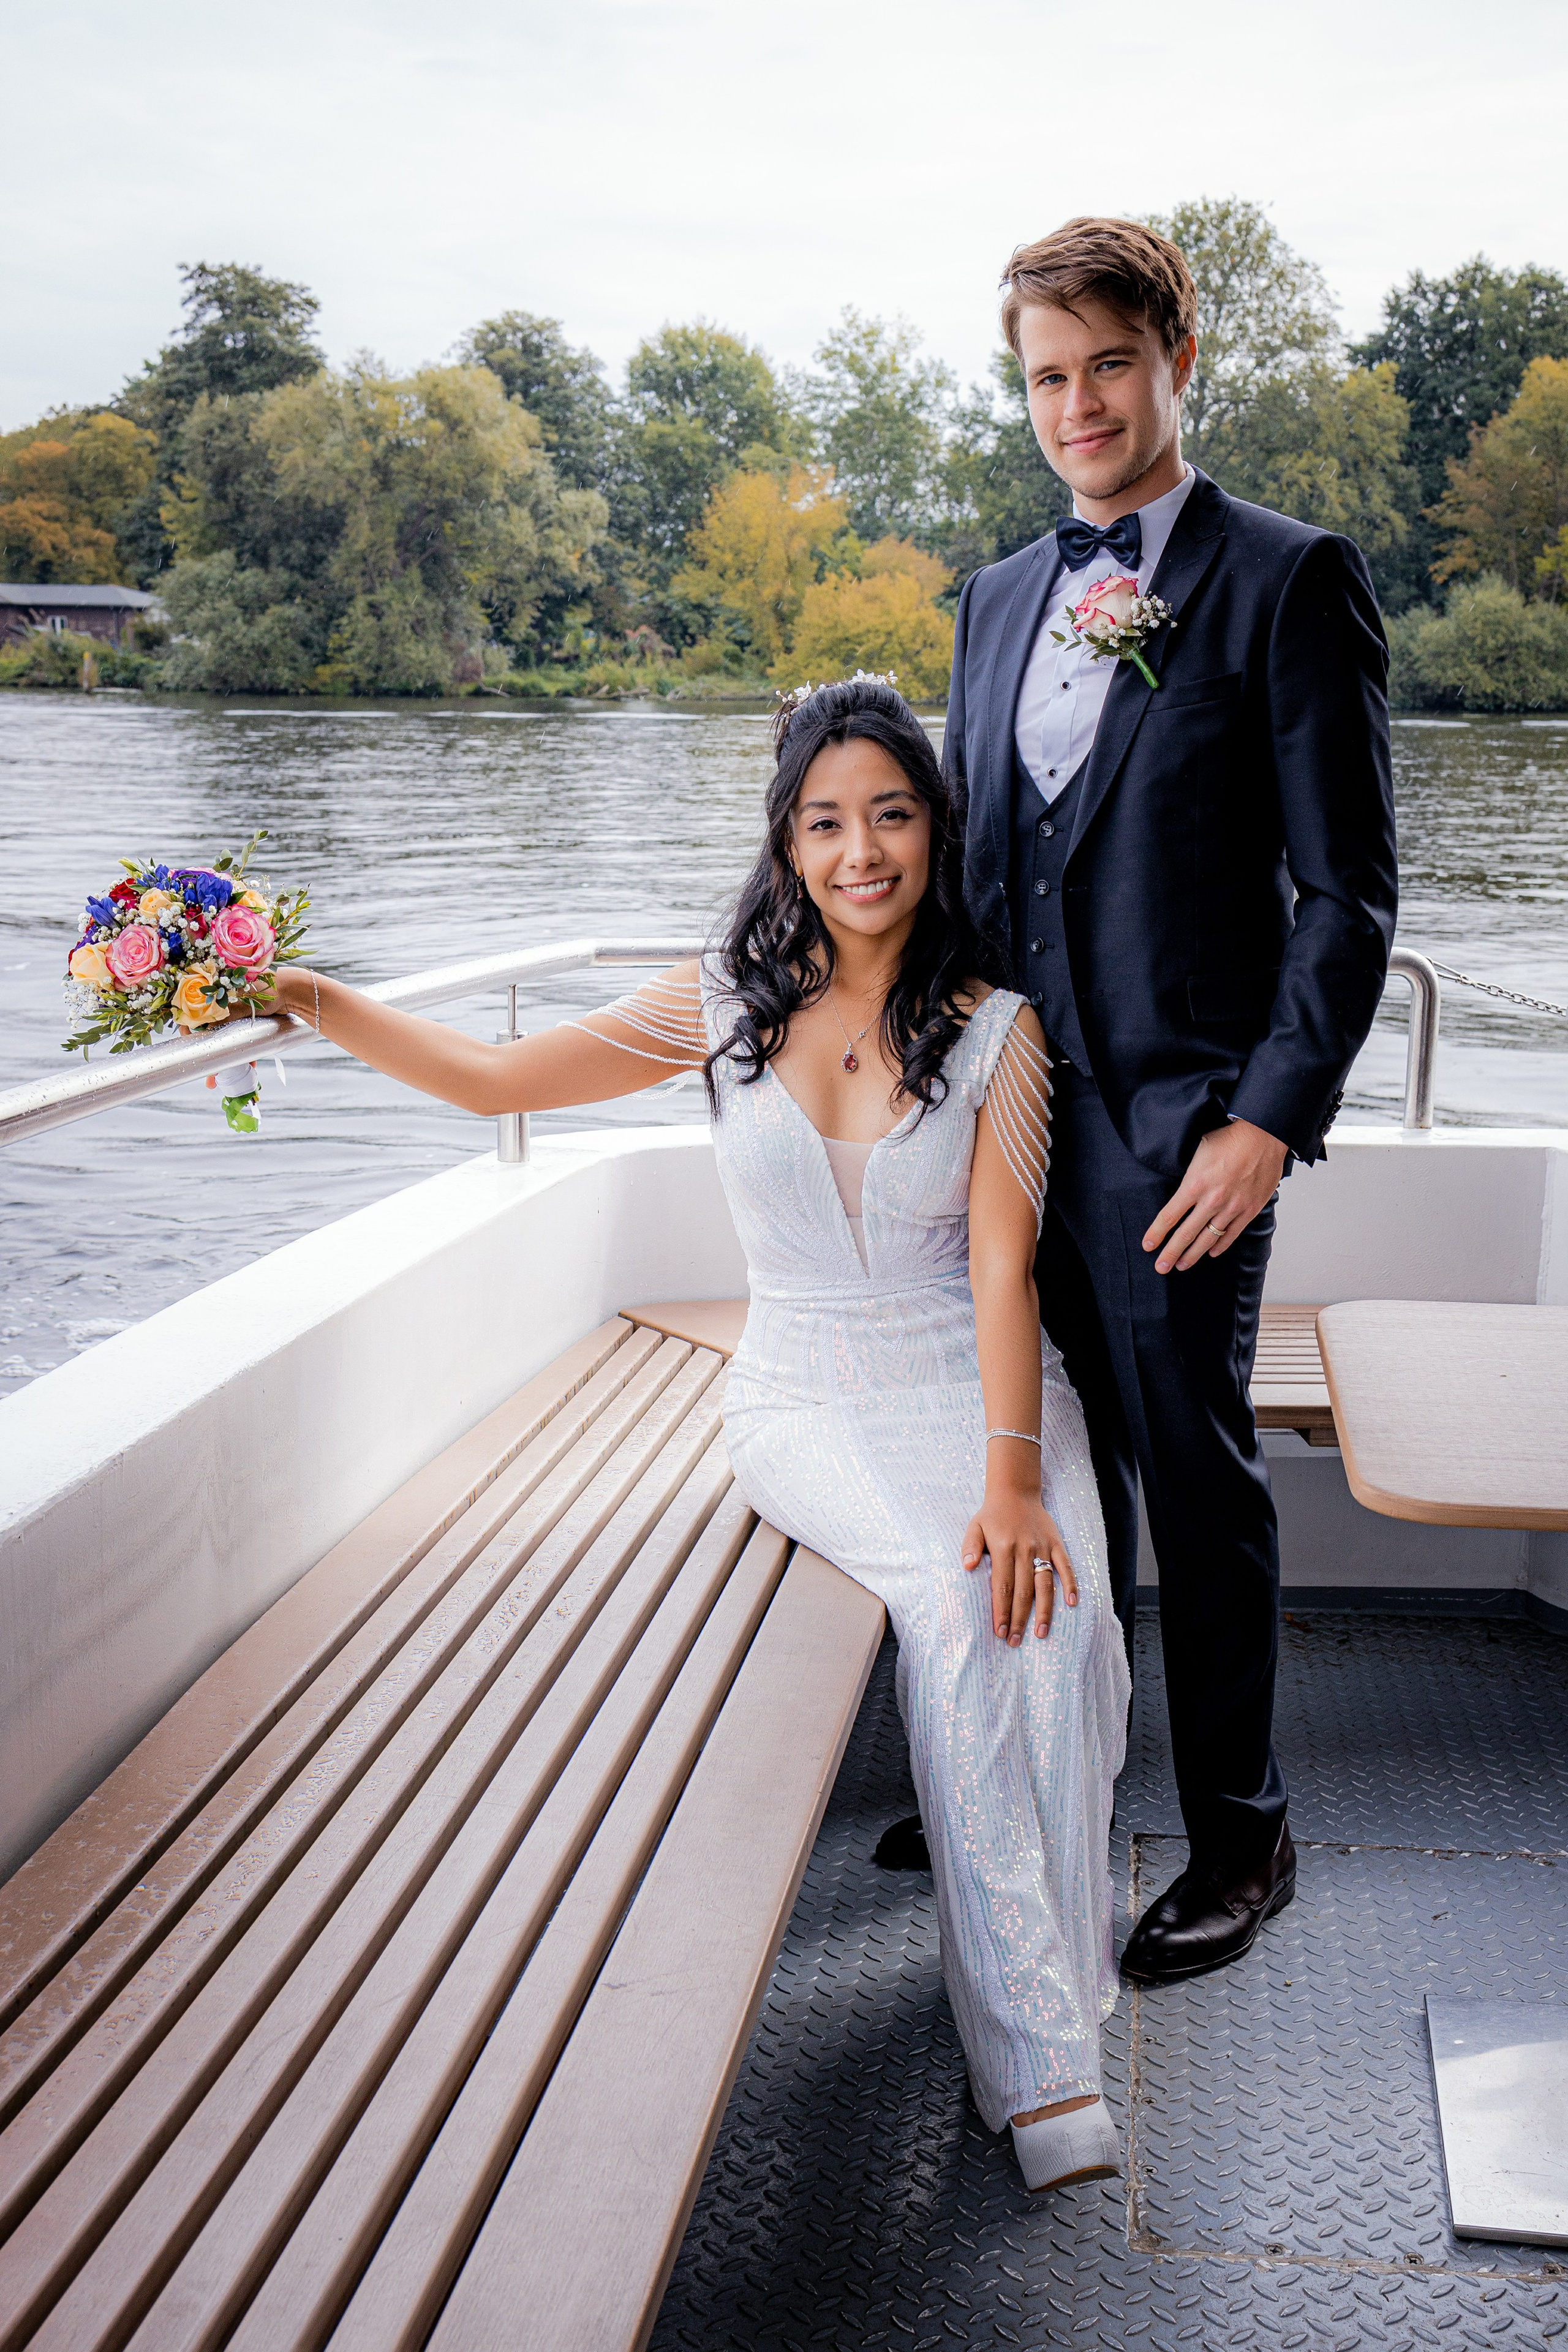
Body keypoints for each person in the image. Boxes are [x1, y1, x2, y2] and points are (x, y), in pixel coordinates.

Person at [251, 676, 1132, 2195]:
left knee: (1042, 1613)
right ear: (786, 844)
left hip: (981, 1393)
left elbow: (1000, 1268)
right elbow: (494, 1082)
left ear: (933, 829)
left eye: (891, 816)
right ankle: (1037, 2061)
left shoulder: (998, 1033)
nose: (861, 852)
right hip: (805, 1397)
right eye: (826, 822)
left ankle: (1052, 2011)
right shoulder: (721, 1005)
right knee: (947, 1603)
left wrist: (1014, 1480)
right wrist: (307, 996)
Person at [944, 217, 1398, 1986]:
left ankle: (1240, 1832)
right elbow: (982, 867)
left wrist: (1266, 1120)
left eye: (1108, 366)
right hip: (1000, 1125)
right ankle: (1046, 1760)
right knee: (1031, 1458)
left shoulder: (1290, 578)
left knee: (1189, 1483)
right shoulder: (993, 595)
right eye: (1048, 377)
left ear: (1176, 359)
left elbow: (1348, 895)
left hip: (1180, 1134)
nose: (1079, 406)